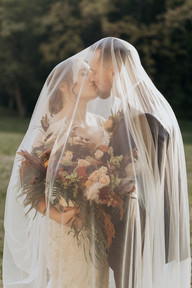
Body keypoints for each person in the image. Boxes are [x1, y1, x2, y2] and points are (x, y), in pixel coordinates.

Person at [3, 38, 191, 288]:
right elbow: (26, 174)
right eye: (85, 72)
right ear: (65, 87)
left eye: (93, 70)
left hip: (100, 230)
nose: (92, 77)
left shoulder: (103, 125)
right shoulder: (52, 129)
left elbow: (119, 168)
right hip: (70, 231)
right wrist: (59, 215)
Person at [88, 37, 191, 287]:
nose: (91, 78)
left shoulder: (144, 112)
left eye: (94, 70)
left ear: (112, 70)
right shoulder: (143, 103)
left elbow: (140, 177)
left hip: (138, 230)